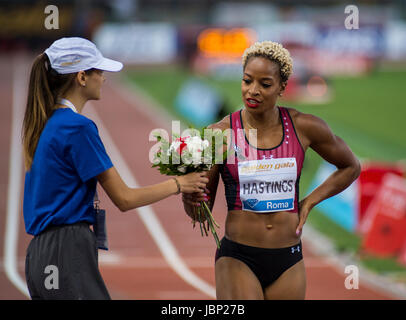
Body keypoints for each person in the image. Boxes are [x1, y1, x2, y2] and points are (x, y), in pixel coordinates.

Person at [22, 37, 208, 300]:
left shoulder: (46, 123)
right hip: (66, 250)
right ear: (82, 77)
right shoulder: (77, 127)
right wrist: (180, 184)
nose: (104, 78)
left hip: (39, 255)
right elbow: (124, 198)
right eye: (99, 71)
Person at [182, 41, 361, 300]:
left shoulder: (305, 127)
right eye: (247, 81)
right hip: (238, 258)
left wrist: (309, 202)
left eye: (265, 84)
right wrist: (189, 197)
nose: (253, 91)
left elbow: (350, 167)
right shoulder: (220, 134)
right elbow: (200, 213)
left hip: (288, 259)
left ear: (282, 87)